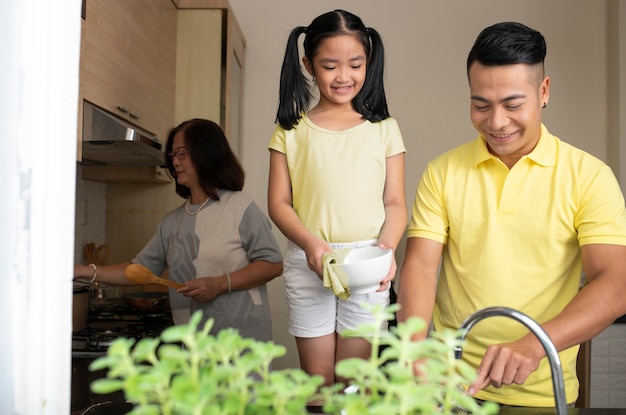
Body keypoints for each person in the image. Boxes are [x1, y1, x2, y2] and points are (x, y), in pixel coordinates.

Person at [397, 21, 626, 407]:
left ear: (544, 92)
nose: (497, 122)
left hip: (542, 391)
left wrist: (535, 342)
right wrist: (415, 350)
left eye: (513, 104)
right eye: (480, 105)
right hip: (452, 388)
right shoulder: (442, 172)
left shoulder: (590, 177)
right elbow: (420, 267)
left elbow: (616, 284)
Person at [267, 9, 407, 387]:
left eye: (355, 64)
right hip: (309, 258)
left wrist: (388, 249)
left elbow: (395, 203)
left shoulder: (385, 130)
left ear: (369, 63)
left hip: (368, 262)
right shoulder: (290, 129)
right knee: (318, 384)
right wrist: (312, 244)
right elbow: (278, 203)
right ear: (308, 65)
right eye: (330, 66)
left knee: (353, 384)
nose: (344, 76)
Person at [75, 119, 283, 342]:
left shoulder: (240, 207)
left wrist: (219, 284)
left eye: (182, 153)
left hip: (241, 343)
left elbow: (272, 263)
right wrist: (84, 272)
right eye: (173, 155)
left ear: (207, 153)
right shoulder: (172, 221)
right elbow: (137, 270)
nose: (175, 161)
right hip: (192, 344)